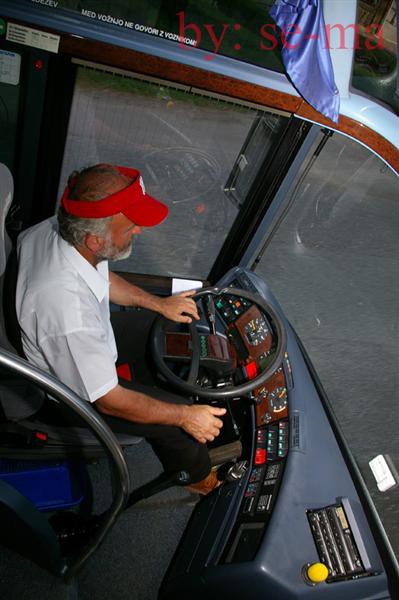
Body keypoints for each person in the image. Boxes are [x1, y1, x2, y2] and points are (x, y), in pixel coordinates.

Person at [16, 163, 227, 494]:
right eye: (131, 227)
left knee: (164, 325)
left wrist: (158, 304)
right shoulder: (66, 309)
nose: (139, 231)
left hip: (91, 336)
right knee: (177, 428)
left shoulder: (58, 230)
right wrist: (185, 416)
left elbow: (101, 276)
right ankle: (201, 480)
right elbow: (109, 400)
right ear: (95, 240)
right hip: (76, 391)